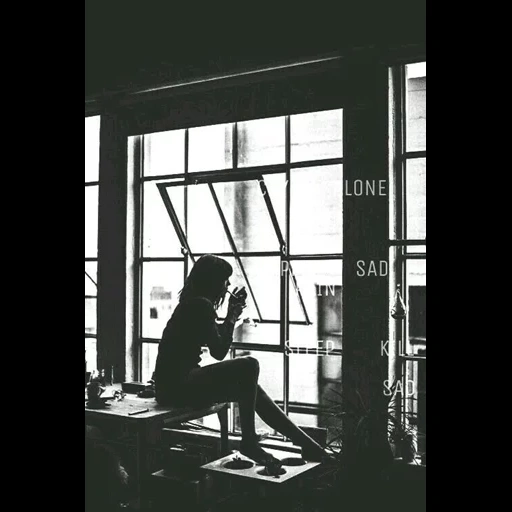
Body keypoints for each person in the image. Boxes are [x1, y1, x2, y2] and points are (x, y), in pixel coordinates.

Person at [153, 254, 327, 464]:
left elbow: (215, 338)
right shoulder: (201, 305)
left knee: (253, 389)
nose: (227, 285)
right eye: (225, 280)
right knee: (249, 365)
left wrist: (230, 316)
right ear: (213, 281)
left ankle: (307, 445)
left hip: (170, 386)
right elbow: (219, 350)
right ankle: (251, 442)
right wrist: (232, 316)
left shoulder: (191, 304)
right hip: (177, 385)